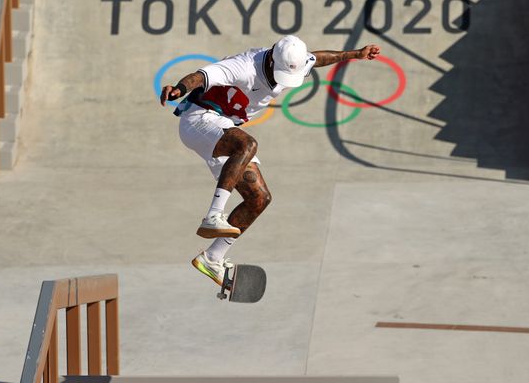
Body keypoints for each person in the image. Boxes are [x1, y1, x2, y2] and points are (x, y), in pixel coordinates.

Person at [160, 35, 380, 287]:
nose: (280, 82)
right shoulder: (244, 66)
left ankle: (212, 258)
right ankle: (213, 215)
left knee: (259, 198)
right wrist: (179, 88)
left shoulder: (293, 60)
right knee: (248, 145)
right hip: (200, 119)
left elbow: (317, 58)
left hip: (223, 126)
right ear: (271, 58)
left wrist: (354, 54)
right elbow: (201, 76)